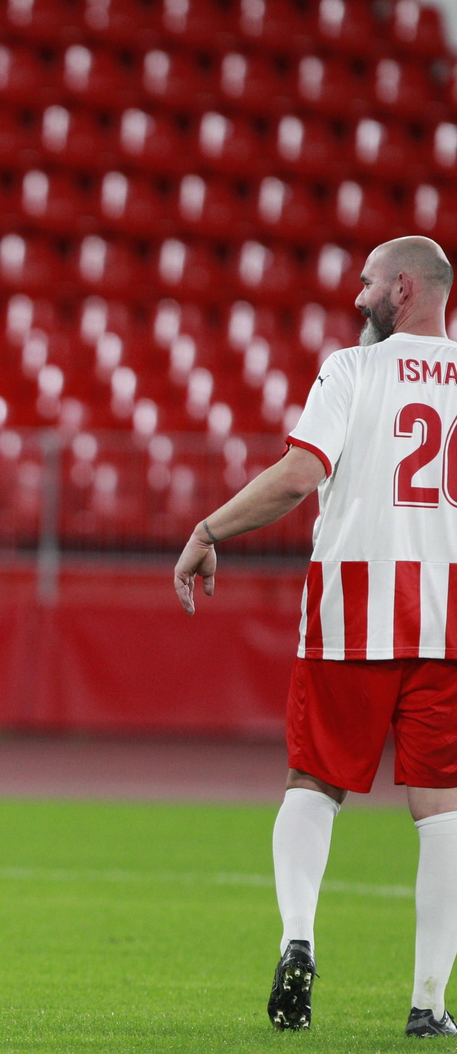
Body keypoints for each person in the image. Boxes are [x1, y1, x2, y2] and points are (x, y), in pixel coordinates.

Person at [173, 236, 457, 1037]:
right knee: (443, 812)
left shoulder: (351, 370)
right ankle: (428, 1003)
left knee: (314, 785)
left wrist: (207, 530)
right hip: (449, 621)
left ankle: (297, 938)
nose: (357, 297)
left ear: (403, 289)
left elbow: (299, 477)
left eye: (367, 283)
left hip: (351, 611)